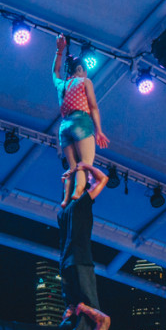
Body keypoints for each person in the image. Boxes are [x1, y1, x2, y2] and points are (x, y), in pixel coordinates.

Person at [52, 34, 109, 206]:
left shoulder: (62, 85)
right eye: (85, 70)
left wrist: (59, 51)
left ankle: (65, 199)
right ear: (80, 69)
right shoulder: (85, 81)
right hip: (81, 123)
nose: (86, 73)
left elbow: (55, 72)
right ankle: (77, 193)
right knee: (84, 164)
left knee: (72, 166)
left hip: (64, 127)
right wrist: (99, 130)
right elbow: (93, 107)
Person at [57, 162, 107, 316]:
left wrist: (67, 181)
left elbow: (66, 195)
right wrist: (87, 166)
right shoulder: (81, 203)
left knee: (72, 308)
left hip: (66, 263)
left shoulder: (62, 213)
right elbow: (103, 179)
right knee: (88, 306)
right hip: (80, 260)